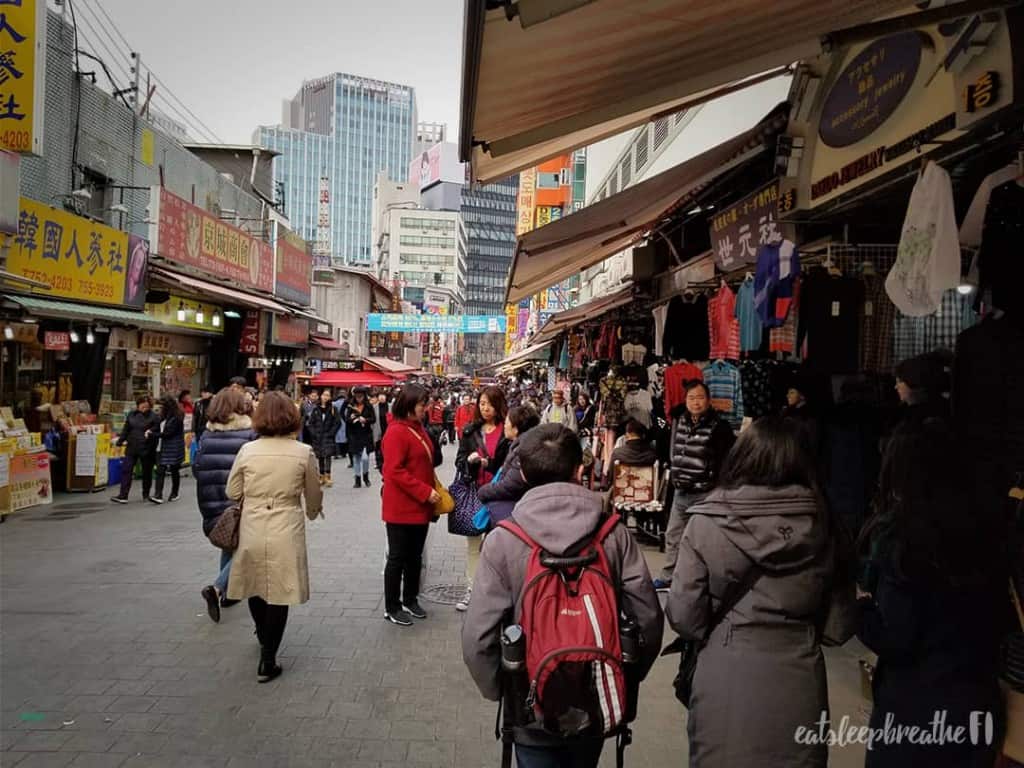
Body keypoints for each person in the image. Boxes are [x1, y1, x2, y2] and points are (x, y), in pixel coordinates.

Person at [462, 424, 664, 768]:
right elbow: (648, 617)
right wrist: (622, 675)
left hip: (528, 702)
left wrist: (501, 690)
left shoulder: (504, 539)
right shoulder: (613, 533)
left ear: (522, 472)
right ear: (579, 470)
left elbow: (477, 636)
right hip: (597, 692)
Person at [665, 417, 857, 768]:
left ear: (742, 456)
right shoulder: (827, 525)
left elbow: (684, 618)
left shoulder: (707, 521)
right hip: (799, 680)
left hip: (725, 677)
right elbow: (837, 628)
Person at [856, 421, 1004, 768]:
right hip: (977, 703)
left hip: (918, 712)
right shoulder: (989, 534)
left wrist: (861, 607)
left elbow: (896, 636)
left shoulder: (906, 541)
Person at [226, 391, 323, 682]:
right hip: (286, 522)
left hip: (253, 523)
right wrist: (314, 511)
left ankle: (262, 636)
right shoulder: (302, 452)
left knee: (256, 584)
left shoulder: (248, 450)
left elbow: (232, 491)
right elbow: (313, 493)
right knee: (280, 590)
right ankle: (268, 657)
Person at [653, 380, 736, 590]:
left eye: (700, 398)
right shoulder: (679, 420)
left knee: (705, 539)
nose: (695, 402)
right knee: (673, 535)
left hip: (706, 493)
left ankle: (706, 579)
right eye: (691, 398)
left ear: (708, 401)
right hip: (681, 490)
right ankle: (669, 576)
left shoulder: (719, 427)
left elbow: (727, 459)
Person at [380, 384, 441, 627]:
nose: (425, 409)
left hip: (420, 505)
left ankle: (411, 598)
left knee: (415, 556)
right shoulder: (396, 432)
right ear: (408, 405)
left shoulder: (417, 428)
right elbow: (393, 471)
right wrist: (425, 491)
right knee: (397, 557)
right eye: (421, 404)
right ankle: (392, 606)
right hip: (401, 506)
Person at [194, 388, 256, 623]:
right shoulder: (249, 433)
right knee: (246, 547)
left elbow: (197, 468)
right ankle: (218, 587)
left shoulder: (207, 435)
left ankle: (229, 593)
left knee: (228, 540)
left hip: (210, 499)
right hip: (238, 499)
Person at [454, 386, 510, 612]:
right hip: (475, 492)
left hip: (500, 495)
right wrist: (469, 460)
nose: (485, 408)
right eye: (482, 403)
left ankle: (497, 591)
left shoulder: (508, 431)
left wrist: (491, 464)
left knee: (499, 545)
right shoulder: (470, 431)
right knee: (474, 544)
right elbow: (459, 462)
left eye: (490, 404)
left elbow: (511, 464)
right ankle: (472, 589)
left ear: (499, 406)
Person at [475, 404, 541, 527]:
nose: (504, 426)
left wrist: (483, 491)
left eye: (507, 422)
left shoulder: (524, 449)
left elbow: (511, 485)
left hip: (514, 512)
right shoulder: (519, 443)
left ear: (516, 428)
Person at [111, 395, 160, 503]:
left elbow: (156, 431)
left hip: (147, 448)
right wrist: (120, 442)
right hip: (132, 446)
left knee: (147, 472)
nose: (144, 409)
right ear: (138, 405)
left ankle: (146, 493)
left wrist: (150, 434)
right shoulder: (131, 415)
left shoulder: (154, 417)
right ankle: (123, 495)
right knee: (126, 470)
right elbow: (126, 429)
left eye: (146, 407)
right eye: (142, 406)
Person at [150, 395, 185, 504]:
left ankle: (174, 492)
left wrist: (153, 434)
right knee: (160, 469)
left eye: (161, 406)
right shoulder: (163, 417)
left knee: (174, 469)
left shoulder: (176, 418)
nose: (159, 409)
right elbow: (159, 428)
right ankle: (158, 494)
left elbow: (168, 433)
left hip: (173, 447)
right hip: (161, 446)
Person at [304, 389, 339, 486]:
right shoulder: (316, 409)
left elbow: (337, 422)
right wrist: (314, 433)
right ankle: (321, 476)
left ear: (330, 397)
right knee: (320, 457)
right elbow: (310, 423)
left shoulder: (333, 409)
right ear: (321, 396)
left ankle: (328, 476)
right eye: (324, 395)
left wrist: (332, 433)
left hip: (328, 436)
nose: (325, 397)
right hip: (318, 437)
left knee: (327, 456)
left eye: (327, 395)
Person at [343, 387, 376, 488]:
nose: (359, 399)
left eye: (360, 397)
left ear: (364, 396)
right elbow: (346, 419)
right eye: (357, 397)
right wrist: (351, 419)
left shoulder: (369, 406)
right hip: (354, 434)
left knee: (365, 458)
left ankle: (366, 477)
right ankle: (357, 480)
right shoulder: (350, 406)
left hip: (365, 434)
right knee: (356, 458)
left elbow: (373, 419)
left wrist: (365, 420)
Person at [332, 388, 350, 466]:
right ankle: (344, 453)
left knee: (337, 438)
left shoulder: (334, 404)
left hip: (336, 421)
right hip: (345, 421)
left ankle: (337, 453)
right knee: (345, 437)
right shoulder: (347, 403)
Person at [374, 391, 390, 472]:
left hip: (388, 430)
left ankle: (387, 461)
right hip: (378, 430)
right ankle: (378, 462)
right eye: (380, 395)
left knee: (388, 447)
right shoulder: (374, 407)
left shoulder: (390, 406)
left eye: (383, 395)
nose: (381, 397)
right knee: (378, 447)